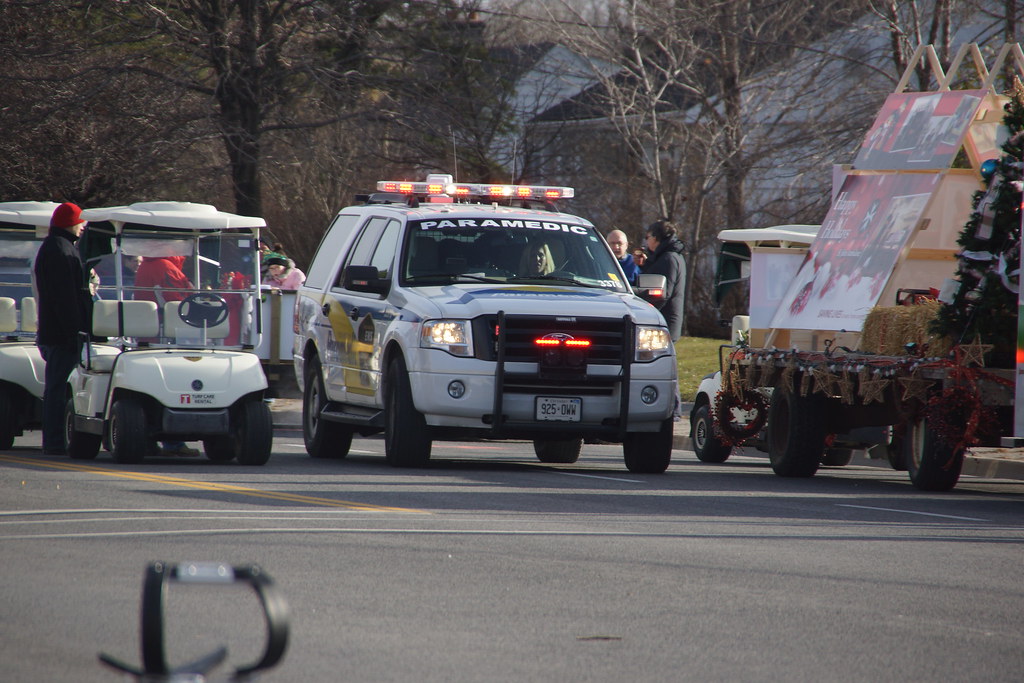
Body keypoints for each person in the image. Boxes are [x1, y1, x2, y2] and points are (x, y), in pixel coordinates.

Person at [34, 202, 92, 455]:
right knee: (58, 389)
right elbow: (64, 297)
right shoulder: (60, 249)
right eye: (80, 222)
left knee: (58, 388)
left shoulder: (57, 246)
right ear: (70, 223)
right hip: (61, 334)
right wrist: (74, 331)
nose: (83, 227)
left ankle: (56, 440)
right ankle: (54, 441)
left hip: (56, 331)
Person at [132, 255, 201, 457]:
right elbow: (179, 301)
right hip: (166, 334)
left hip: (149, 333)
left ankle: (147, 440)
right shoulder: (165, 266)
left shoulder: (147, 264)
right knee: (176, 387)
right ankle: (173, 443)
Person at [639, 218, 686, 342]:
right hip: (663, 320)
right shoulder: (669, 256)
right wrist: (644, 265)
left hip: (664, 321)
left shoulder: (668, 258)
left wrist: (643, 313)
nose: (646, 241)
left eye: (647, 237)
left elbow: (664, 292)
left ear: (655, 238)